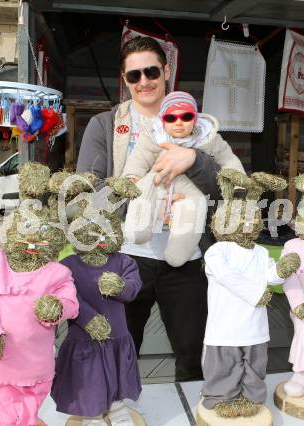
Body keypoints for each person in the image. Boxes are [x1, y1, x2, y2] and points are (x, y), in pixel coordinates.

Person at [77, 36, 243, 381]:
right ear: (124, 80)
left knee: (194, 355)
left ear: (166, 70)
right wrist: (144, 186)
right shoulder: (105, 126)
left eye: (151, 71)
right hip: (128, 256)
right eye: (134, 75)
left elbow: (231, 188)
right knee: (119, 351)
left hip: (188, 257)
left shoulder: (198, 126)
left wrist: (194, 161)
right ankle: (119, 412)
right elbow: (86, 197)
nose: (144, 81)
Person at [122, 91, 244, 267]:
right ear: (163, 119)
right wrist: (131, 177)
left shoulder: (209, 139)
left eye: (186, 116)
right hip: (158, 182)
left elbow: (228, 159)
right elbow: (139, 157)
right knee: (143, 190)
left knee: (194, 206)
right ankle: (136, 230)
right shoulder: (154, 136)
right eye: (171, 118)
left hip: (190, 190)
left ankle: (178, 252)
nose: (178, 122)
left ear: (194, 118)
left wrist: (238, 182)